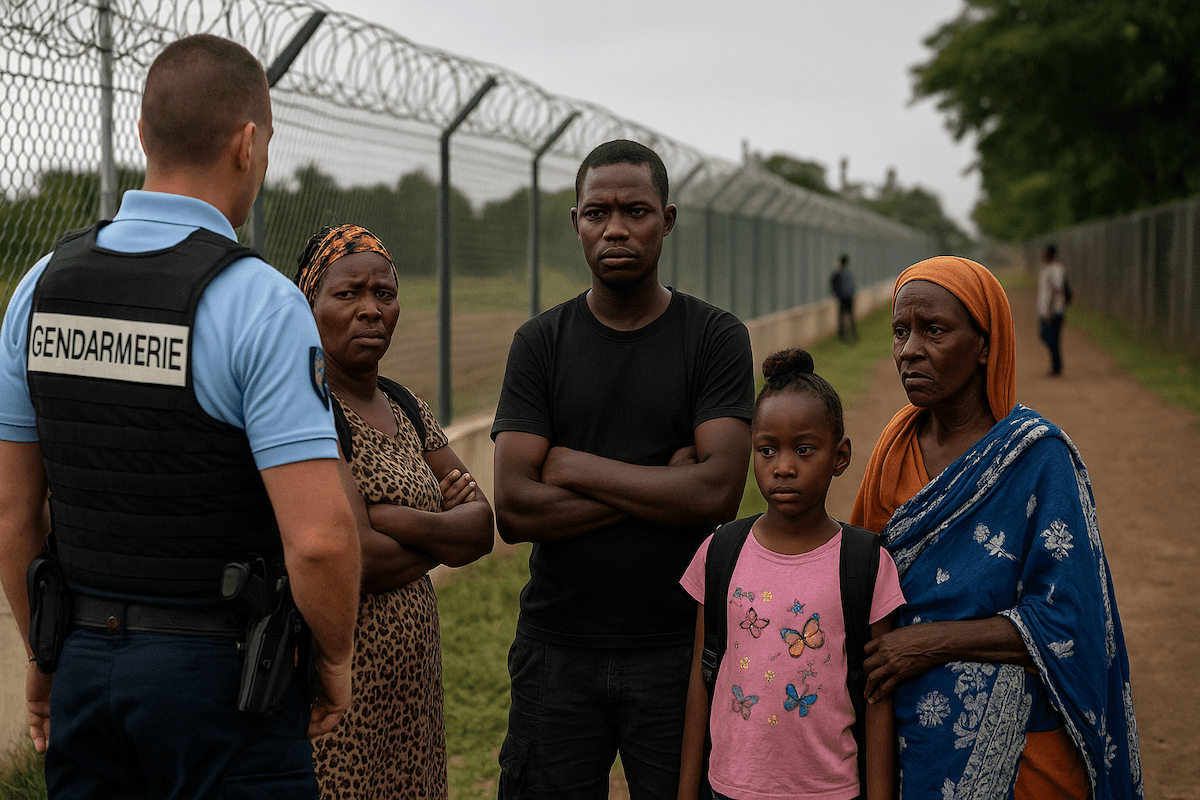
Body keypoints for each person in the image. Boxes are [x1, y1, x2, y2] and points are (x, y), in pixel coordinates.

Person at [0, 34, 361, 798]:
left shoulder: (38, 288)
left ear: (141, 135)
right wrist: (332, 658)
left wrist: (45, 658)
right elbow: (322, 540)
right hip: (221, 681)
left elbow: (12, 515)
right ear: (249, 141)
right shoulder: (261, 302)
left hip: (84, 665)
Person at [491, 139, 756, 799]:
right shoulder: (541, 344)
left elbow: (719, 492)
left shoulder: (715, 337)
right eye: (597, 213)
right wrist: (665, 481)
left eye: (635, 211)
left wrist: (573, 466)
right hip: (557, 649)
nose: (615, 228)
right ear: (575, 222)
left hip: (681, 647)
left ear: (666, 220)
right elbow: (517, 509)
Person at [851, 256, 1141, 800]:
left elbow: (1070, 619)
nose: (909, 350)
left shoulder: (1039, 459)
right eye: (900, 331)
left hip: (1021, 745)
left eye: (933, 330)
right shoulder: (893, 447)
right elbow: (859, 586)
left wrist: (929, 643)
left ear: (986, 344)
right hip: (906, 739)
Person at [294, 223, 495, 799]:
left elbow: (481, 528)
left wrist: (390, 519)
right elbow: (356, 562)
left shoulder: (406, 405)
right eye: (347, 294)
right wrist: (440, 531)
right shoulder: (306, 410)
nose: (370, 311)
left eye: (384, 294)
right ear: (309, 304)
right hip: (336, 695)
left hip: (413, 688)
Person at [677, 348, 905, 800]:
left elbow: (878, 700)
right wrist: (687, 791)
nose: (783, 467)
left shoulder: (864, 562)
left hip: (830, 789)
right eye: (767, 450)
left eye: (804, 450)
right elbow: (702, 680)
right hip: (730, 789)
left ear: (840, 456)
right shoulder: (721, 551)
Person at [1038, 243, 1067, 376]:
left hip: (1053, 311)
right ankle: (1057, 364)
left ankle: (1056, 367)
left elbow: (1056, 289)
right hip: (1046, 311)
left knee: (1051, 338)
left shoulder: (1056, 269)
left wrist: (1049, 310)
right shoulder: (1046, 269)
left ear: (1052, 254)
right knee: (1046, 336)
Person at [830, 255, 857, 343]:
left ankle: (842, 335)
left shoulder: (838, 273)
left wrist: (837, 295)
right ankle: (853, 334)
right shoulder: (849, 273)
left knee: (842, 317)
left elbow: (833, 284)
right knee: (850, 316)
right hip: (849, 297)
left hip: (842, 298)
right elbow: (853, 286)